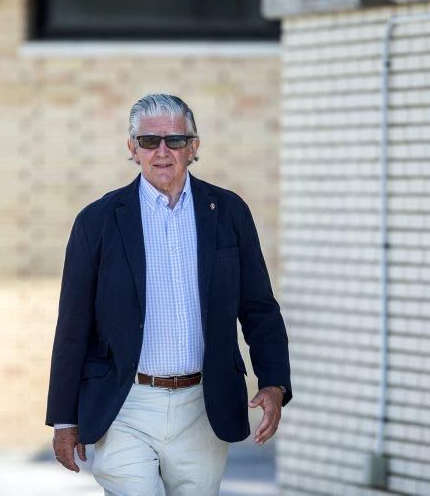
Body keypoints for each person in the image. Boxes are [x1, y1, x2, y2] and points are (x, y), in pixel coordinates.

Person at [47, 93, 292, 495]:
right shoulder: (97, 221)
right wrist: (63, 418)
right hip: (125, 404)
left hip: (203, 405)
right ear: (132, 149)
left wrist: (274, 382)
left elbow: (259, 307)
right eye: (148, 141)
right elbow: (73, 324)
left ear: (193, 147)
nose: (162, 151)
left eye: (175, 141)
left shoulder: (229, 212)